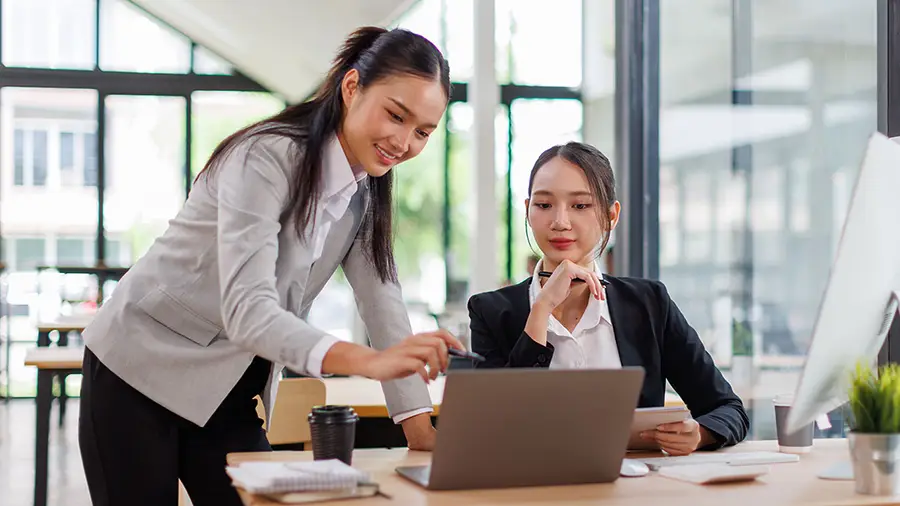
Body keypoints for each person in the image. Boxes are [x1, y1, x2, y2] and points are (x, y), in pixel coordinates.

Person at [79, 26, 463, 506]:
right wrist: (367, 362)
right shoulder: (265, 156)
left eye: (423, 131)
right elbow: (248, 310)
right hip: (138, 369)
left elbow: (383, 304)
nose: (404, 142)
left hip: (227, 390)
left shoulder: (362, 194)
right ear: (351, 88)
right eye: (395, 115)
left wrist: (420, 430)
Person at [467, 142, 749, 456]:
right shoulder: (489, 310)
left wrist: (699, 434)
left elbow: (728, 409)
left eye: (580, 206)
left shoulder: (649, 303)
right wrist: (541, 310)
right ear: (528, 210)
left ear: (611, 215)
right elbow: (490, 427)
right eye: (544, 205)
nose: (560, 222)